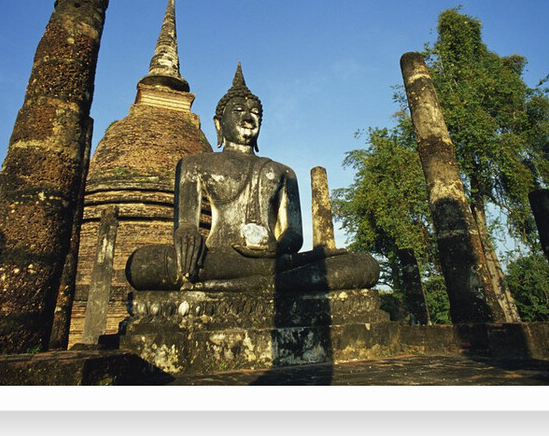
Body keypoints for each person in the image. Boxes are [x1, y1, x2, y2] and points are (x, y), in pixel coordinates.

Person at [126, 63, 379, 292]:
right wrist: (187, 235)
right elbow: (186, 225)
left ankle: (264, 283)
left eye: (255, 112)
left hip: (273, 261)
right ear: (218, 124)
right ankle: (275, 285)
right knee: (143, 264)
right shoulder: (194, 164)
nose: (248, 117)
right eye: (238, 110)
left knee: (363, 265)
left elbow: (293, 233)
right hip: (216, 259)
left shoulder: (283, 172)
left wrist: (278, 248)